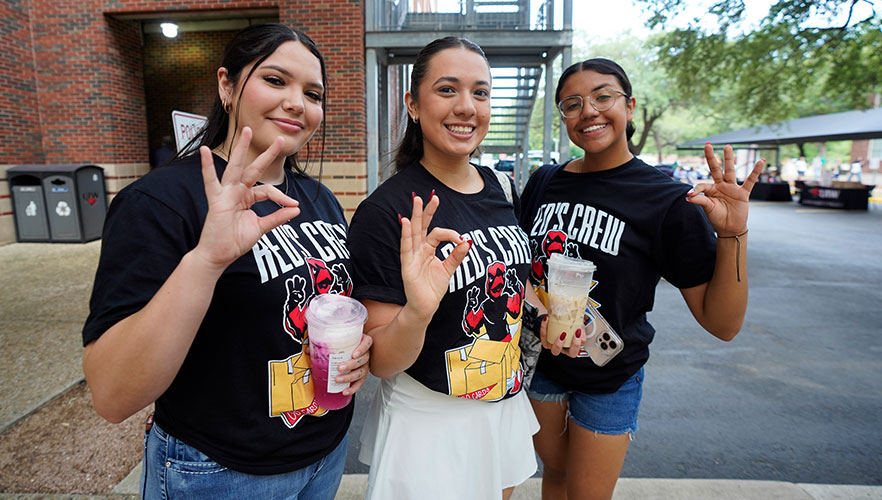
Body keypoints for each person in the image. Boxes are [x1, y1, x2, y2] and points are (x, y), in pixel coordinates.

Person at [82, 24, 373, 499]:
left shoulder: (318, 197)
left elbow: (328, 309)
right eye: (276, 81)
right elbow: (113, 395)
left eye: (313, 93)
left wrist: (356, 351)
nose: (299, 103)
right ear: (227, 86)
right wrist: (207, 259)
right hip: (220, 471)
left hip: (324, 453)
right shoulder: (161, 201)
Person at [518, 58, 765, 500]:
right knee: (554, 476)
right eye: (571, 104)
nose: (588, 111)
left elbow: (722, 323)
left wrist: (732, 233)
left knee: (587, 494)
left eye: (603, 96)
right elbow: (522, 272)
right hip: (544, 367)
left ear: (629, 106)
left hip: (611, 374)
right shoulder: (543, 182)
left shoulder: (667, 199)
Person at [347, 37, 541, 500]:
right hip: (431, 421)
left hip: (504, 402)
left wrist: (545, 318)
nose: (467, 107)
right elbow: (381, 362)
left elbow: (517, 284)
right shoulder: (387, 211)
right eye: (448, 90)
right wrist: (417, 310)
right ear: (413, 105)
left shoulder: (500, 185)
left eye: (481, 92)